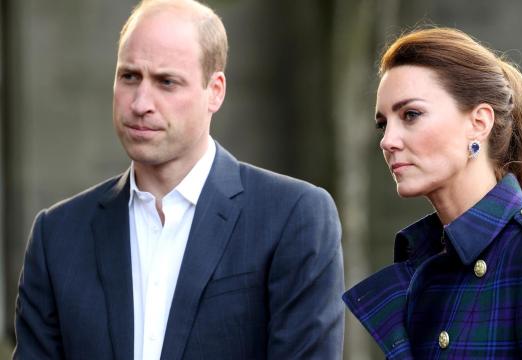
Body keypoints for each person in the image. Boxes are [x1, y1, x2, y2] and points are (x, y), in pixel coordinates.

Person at [14, 0, 344, 359]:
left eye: (166, 82)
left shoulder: (292, 217)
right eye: (129, 76)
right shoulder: (58, 236)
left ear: (215, 91)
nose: (141, 102)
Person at [343, 28, 522, 359]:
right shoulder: (428, 260)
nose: (388, 140)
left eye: (410, 115)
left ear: (479, 122)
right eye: (383, 124)